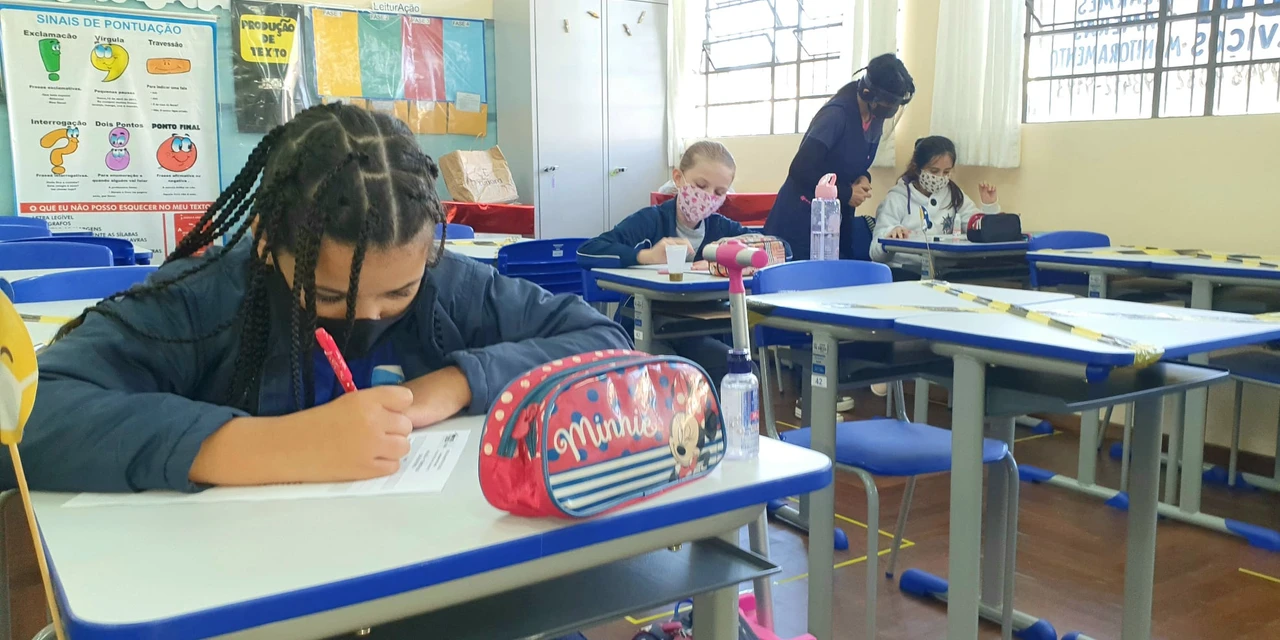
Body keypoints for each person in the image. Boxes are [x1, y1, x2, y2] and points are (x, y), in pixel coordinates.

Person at [0, 103, 631, 493]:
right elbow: (28, 419)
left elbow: (606, 341)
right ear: (264, 240)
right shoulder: (202, 299)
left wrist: (454, 384)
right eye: (329, 293)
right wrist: (283, 446)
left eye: (400, 291)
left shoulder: (450, 287)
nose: (368, 315)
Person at [578, 141, 786, 380]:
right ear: (678, 178)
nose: (708, 197)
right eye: (701, 185)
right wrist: (645, 256)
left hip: (696, 333)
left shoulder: (721, 228)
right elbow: (587, 251)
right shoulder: (650, 221)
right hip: (644, 330)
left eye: (719, 192)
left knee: (743, 373)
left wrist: (727, 257)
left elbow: (782, 249)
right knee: (673, 376)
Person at [763, 53, 915, 261]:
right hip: (801, 220)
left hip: (835, 219)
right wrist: (846, 192)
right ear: (869, 94)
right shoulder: (836, 115)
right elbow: (801, 169)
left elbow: (851, 163)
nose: (891, 110)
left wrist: (863, 178)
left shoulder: (874, 116)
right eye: (889, 103)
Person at [870, 135, 1000, 278]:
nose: (940, 177)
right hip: (904, 272)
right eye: (933, 171)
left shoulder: (954, 195)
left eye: (946, 172)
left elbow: (978, 229)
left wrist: (989, 208)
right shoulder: (897, 198)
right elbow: (875, 252)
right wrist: (889, 237)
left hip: (944, 271)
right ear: (917, 168)